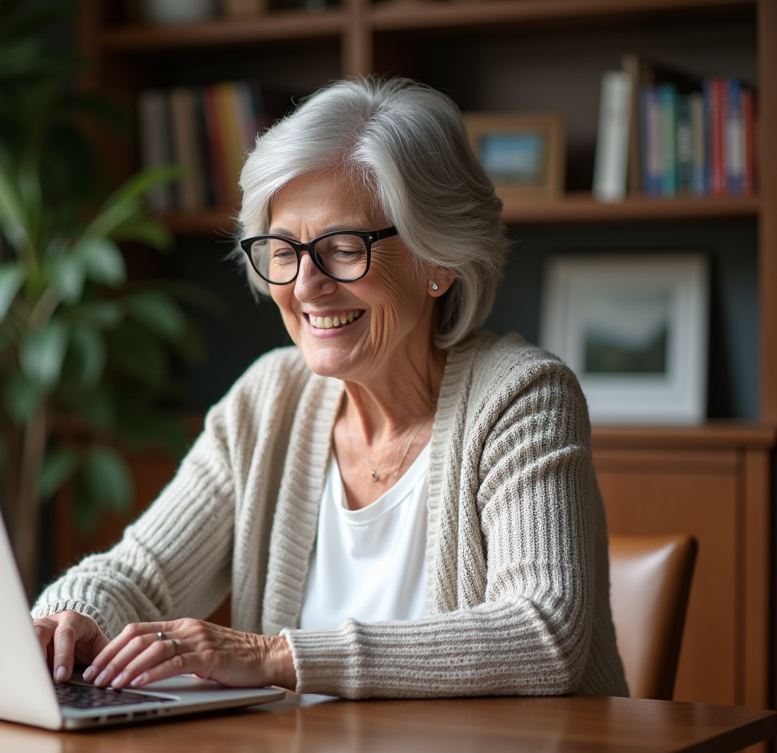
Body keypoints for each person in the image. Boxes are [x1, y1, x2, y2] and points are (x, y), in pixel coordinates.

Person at [32, 76, 629, 699]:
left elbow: (542, 634)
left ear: (438, 261)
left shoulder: (523, 398)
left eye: (343, 249)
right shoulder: (268, 400)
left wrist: (276, 655)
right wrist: (67, 620)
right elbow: (141, 575)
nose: (306, 286)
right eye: (284, 251)